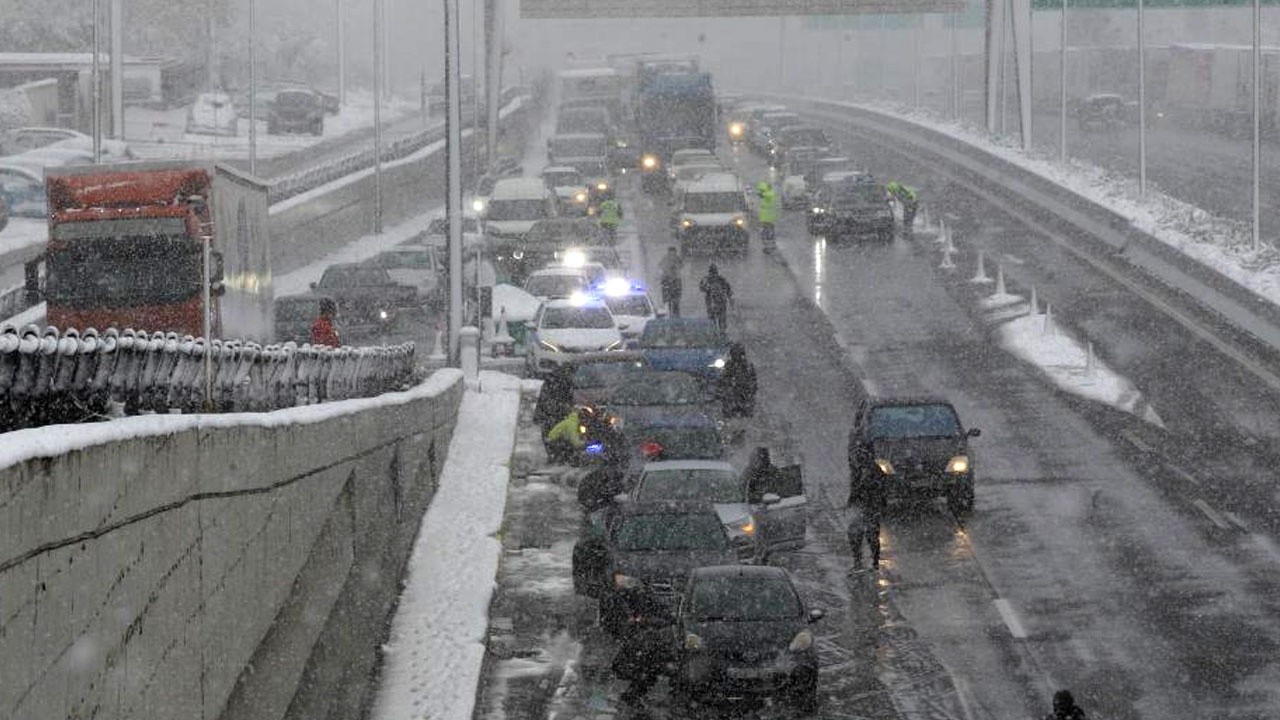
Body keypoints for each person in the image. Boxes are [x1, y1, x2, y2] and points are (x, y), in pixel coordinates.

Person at [612, 586, 674, 707]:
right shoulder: (639, 633)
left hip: (637, 661)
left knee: (648, 673)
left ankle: (633, 697)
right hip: (634, 662)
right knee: (647, 673)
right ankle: (632, 698)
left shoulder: (642, 627)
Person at [847, 472, 886, 569]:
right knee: (865, 533)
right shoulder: (869, 474)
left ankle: (863, 560)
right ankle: (868, 560)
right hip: (868, 505)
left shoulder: (867, 473)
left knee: (862, 533)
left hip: (868, 505)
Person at [533, 364, 575, 436]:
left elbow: (543, 399)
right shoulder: (561, 382)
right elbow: (546, 400)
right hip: (552, 416)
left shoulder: (553, 380)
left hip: (551, 416)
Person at [718, 342, 756, 418]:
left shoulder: (745, 367)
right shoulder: (731, 366)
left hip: (739, 396)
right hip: (738, 397)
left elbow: (722, 381)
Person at [699, 264, 733, 332]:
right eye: (712, 273)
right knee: (718, 320)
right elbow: (729, 291)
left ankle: (718, 333)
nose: (713, 275)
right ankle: (719, 333)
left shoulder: (709, 279)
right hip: (717, 302)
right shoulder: (720, 279)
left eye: (714, 273)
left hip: (716, 302)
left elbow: (702, 288)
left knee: (716, 319)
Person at [658, 246, 683, 317]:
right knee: (672, 299)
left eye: (673, 252)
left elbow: (681, 266)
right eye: (671, 252)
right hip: (670, 280)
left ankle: (674, 312)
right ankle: (673, 312)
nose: (672, 254)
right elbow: (660, 266)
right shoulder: (667, 259)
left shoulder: (675, 259)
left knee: (673, 300)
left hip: (673, 280)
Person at [755, 180, 778, 252]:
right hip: (766, 219)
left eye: (761, 190)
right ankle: (768, 246)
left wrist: (762, 194)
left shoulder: (769, 194)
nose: (760, 192)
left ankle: (770, 247)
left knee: (768, 233)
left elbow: (768, 195)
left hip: (769, 219)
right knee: (767, 233)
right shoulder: (767, 195)